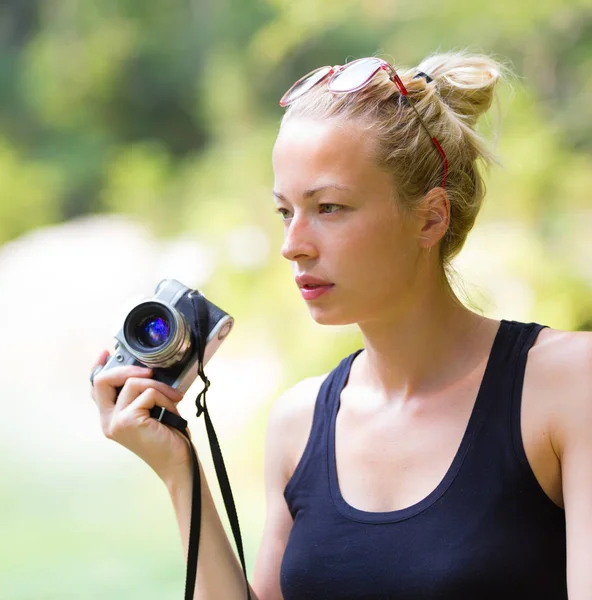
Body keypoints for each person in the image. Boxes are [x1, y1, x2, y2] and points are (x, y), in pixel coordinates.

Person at [90, 51, 592, 599]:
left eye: (328, 208)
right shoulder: (298, 424)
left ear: (430, 217)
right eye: (286, 212)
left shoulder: (567, 385)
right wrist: (177, 469)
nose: (292, 245)